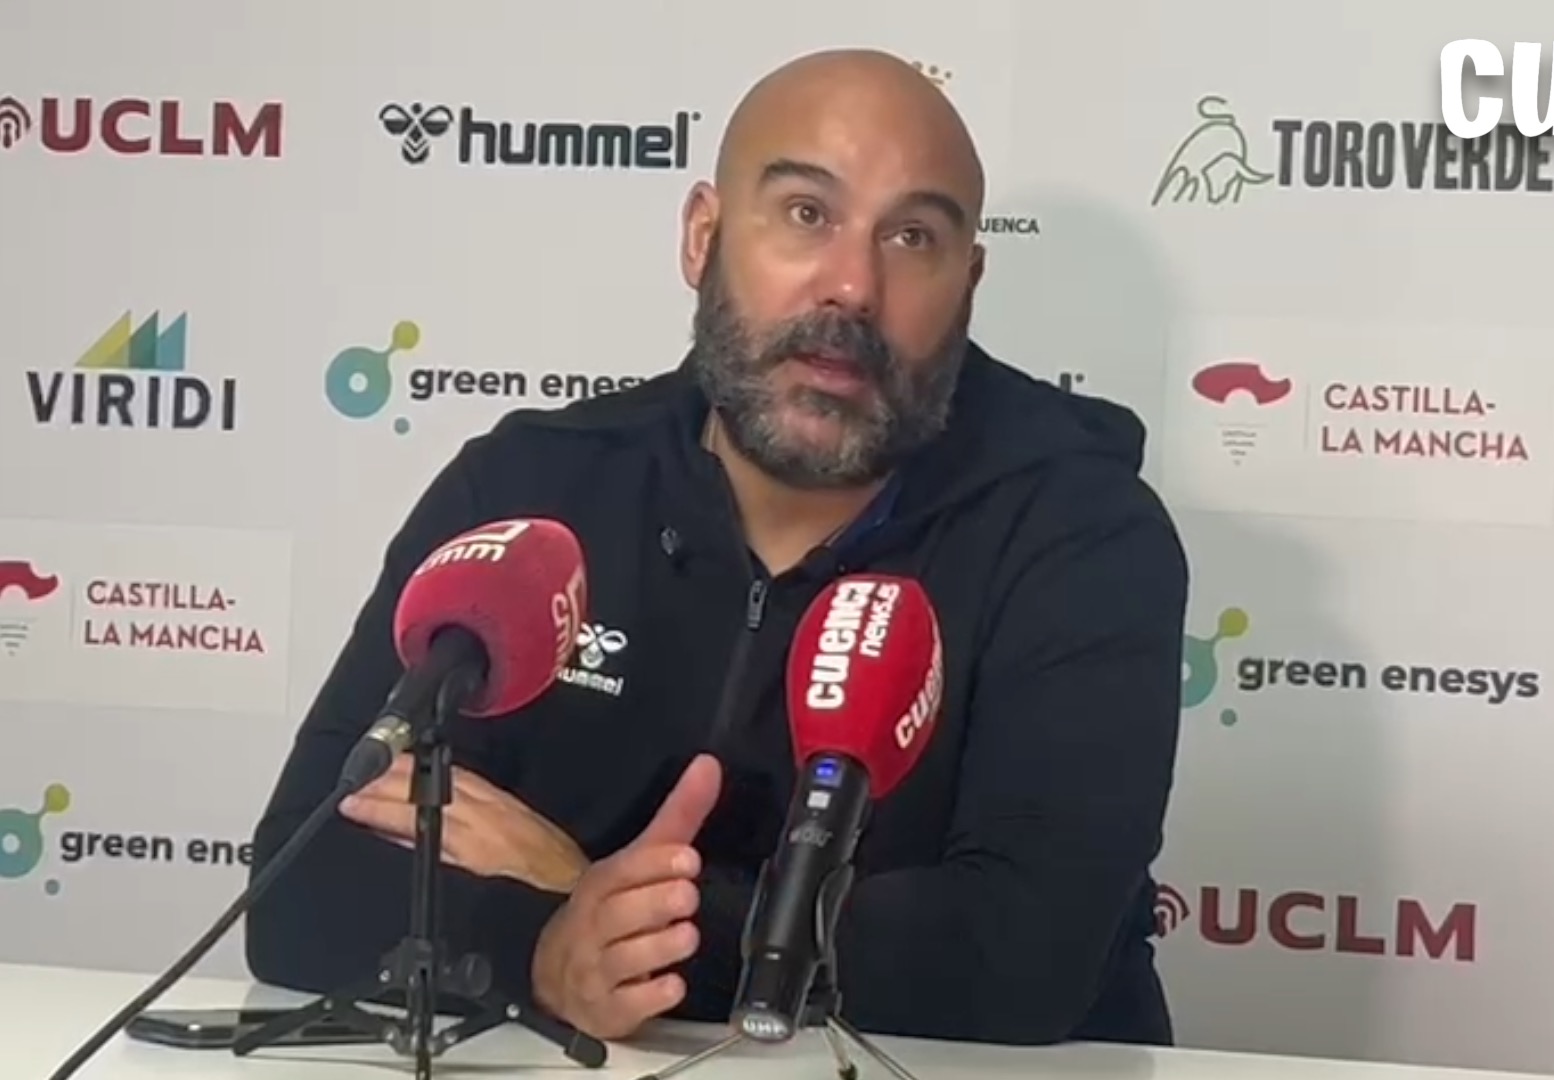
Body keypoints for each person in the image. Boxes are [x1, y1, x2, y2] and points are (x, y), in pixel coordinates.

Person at [244, 47, 1188, 1048]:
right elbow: (302, 891)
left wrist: (589, 901)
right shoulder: (526, 489)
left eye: (913, 236)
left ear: (968, 282)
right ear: (704, 236)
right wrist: (545, 948)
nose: (853, 287)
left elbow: (1017, 963)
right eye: (807, 213)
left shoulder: (1081, 534)